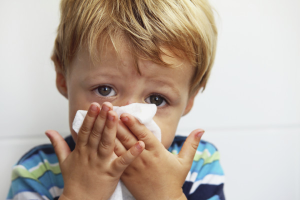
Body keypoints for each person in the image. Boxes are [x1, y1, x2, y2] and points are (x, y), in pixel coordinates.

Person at [7, 0, 225, 199]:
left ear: (189, 101)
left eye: (157, 99)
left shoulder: (199, 167)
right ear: (63, 79)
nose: (128, 117)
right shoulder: (38, 172)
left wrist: (166, 194)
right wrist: (81, 194)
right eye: (104, 90)